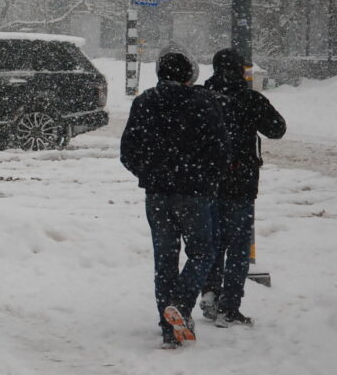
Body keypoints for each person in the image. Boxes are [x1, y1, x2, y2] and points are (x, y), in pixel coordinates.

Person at [121, 51, 231, 348]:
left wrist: (149, 174)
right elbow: (221, 149)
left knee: (165, 258)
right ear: (188, 75)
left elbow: (128, 150)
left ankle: (168, 325)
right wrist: (208, 179)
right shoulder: (202, 102)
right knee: (203, 253)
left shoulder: (144, 102)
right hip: (194, 193)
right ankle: (181, 306)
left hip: (157, 194)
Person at [199, 48, 286, 328]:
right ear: (241, 71)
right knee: (238, 247)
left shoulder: (202, 97)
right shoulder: (250, 100)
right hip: (241, 183)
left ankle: (210, 292)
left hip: (206, 181)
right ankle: (229, 306)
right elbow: (277, 128)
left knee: (211, 242)